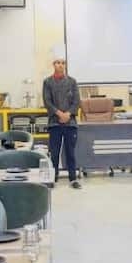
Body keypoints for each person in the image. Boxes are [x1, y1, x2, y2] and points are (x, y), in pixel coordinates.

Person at [42, 49, 81, 189]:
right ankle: (53, 178)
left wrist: (68, 114)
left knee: (70, 153)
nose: (60, 65)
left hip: (70, 123)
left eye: (63, 63)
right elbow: (47, 102)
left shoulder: (72, 82)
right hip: (55, 123)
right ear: (53, 64)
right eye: (58, 62)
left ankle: (73, 179)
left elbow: (76, 101)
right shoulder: (47, 82)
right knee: (54, 153)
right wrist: (59, 114)